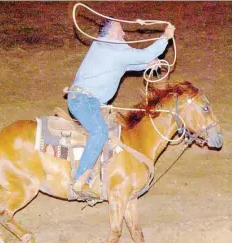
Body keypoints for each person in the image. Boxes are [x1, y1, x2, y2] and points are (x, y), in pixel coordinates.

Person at [68, 19, 175, 196]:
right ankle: (80, 179)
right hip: (83, 101)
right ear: (111, 34)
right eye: (120, 31)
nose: (124, 34)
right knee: (100, 132)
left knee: (110, 132)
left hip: (87, 100)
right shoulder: (112, 49)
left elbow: (128, 64)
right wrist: (164, 38)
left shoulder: (104, 48)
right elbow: (141, 55)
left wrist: (147, 65)